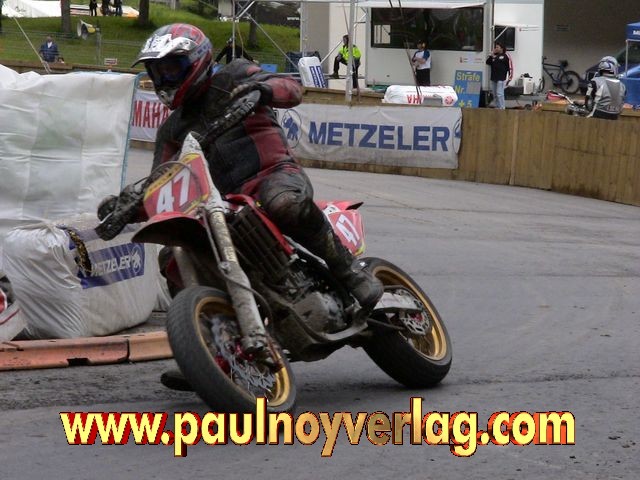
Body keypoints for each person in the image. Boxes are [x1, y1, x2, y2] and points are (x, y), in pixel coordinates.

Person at [107, 23, 382, 308]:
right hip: (222, 204)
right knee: (174, 255)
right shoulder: (171, 130)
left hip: (273, 176)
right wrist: (125, 207)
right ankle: (216, 318)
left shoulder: (235, 75)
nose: (164, 79)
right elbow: (162, 182)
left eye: (171, 69)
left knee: (284, 204)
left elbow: (292, 88)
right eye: (157, 72)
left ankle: (348, 270)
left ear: (196, 60)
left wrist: (262, 89)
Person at [583, 56, 626, 120]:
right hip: (615, 117)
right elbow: (621, 106)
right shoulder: (622, 86)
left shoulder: (595, 82)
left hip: (596, 116)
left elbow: (588, 104)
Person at [485, 41, 512, 109]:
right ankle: (497, 107)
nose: (496, 48)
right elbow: (488, 62)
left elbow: (508, 66)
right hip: (494, 77)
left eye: (497, 47)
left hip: (501, 78)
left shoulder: (505, 55)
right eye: (495, 47)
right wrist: (491, 56)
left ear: (501, 48)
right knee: (494, 94)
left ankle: (502, 108)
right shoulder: (494, 56)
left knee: (499, 94)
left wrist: (509, 77)